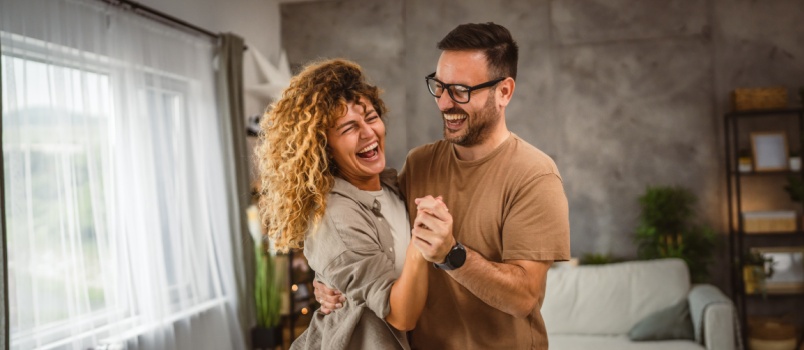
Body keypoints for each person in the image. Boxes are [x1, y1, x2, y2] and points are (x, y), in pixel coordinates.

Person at [315, 22, 571, 349]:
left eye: (461, 90)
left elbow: (524, 298)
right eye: (439, 86)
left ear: (504, 91)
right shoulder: (418, 163)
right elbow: (377, 240)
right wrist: (329, 277)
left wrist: (451, 255)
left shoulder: (534, 176)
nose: (445, 103)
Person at [255, 59, 429, 350]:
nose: (368, 133)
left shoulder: (392, 186)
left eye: (371, 117)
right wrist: (423, 244)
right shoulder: (336, 217)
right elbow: (402, 315)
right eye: (349, 128)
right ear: (324, 146)